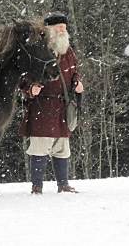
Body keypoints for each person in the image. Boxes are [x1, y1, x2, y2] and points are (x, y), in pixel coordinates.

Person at [19, 11, 84, 194]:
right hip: (43, 105)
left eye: (64, 27)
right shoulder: (39, 49)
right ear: (50, 30)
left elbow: (74, 72)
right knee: (40, 146)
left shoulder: (68, 50)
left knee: (62, 147)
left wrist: (77, 83)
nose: (63, 30)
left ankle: (63, 185)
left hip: (63, 105)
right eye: (59, 27)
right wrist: (30, 89)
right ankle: (37, 187)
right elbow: (23, 77)